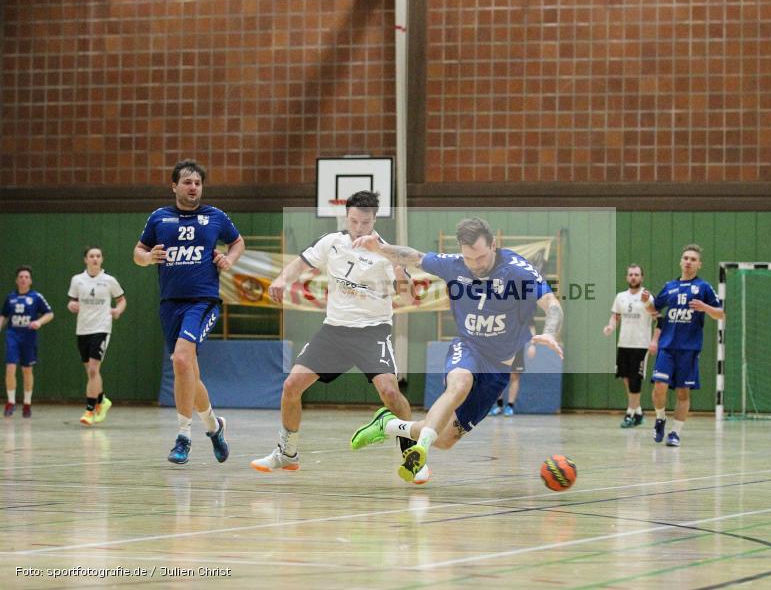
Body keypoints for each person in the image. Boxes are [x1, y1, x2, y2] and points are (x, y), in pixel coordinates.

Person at [349, 217, 564, 483]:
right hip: (469, 347)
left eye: (481, 257)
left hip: (498, 368)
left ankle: (389, 425)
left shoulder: (517, 270)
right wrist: (380, 248)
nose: (476, 265)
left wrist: (550, 332)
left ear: (493, 246)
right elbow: (413, 256)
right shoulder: (455, 265)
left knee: (446, 439)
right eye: (469, 258)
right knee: (459, 384)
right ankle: (420, 450)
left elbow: (552, 304)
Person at [249, 191, 421, 478]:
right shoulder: (331, 242)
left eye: (365, 223)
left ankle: (412, 455)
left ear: (375, 220)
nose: (359, 228)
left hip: (371, 332)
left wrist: (398, 269)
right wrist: (281, 279)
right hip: (335, 332)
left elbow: (409, 296)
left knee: (391, 393)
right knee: (291, 385)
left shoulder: (387, 253)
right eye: (353, 221)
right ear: (346, 217)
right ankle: (287, 453)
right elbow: (301, 263)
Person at [134, 159, 245, 464]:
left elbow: (237, 242)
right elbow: (138, 252)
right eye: (187, 182)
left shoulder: (215, 216)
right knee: (188, 373)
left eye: (197, 183)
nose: (193, 187)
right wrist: (147, 258)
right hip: (170, 304)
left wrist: (229, 259)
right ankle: (214, 427)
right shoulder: (159, 218)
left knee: (181, 360)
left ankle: (183, 437)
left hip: (203, 301)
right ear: (174, 186)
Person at [642, 244, 723, 447]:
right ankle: (660, 418)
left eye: (693, 259)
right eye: (686, 258)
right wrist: (646, 302)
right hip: (667, 346)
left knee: (682, 392)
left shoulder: (703, 288)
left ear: (699, 264)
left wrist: (705, 307)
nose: (688, 262)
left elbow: (721, 313)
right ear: (680, 261)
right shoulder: (670, 286)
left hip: (689, 349)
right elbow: (654, 309)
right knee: (659, 386)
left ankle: (675, 433)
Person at [67, 246, 127, 426]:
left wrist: (118, 310)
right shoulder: (77, 280)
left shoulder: (109, 280)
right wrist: (71, 306)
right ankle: (102, 400)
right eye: (91, 256)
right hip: (83, 329)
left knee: (93, 369)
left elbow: (121, 300)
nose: (95, 259)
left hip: (101, 328)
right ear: (85, 259)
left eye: (98, 256)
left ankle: (90, 409)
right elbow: (72, 301)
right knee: (91, 372)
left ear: (102, 259)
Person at [603, 264, 656, 428]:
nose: (633, 277)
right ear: (627, 277)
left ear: (642, 277)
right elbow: (616, 316)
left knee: (635, 379)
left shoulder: (647, 296)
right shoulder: (620, 297)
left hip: (640, 344)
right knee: (625, 377)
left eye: (637, 275)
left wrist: (654, 340)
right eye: (631, 274)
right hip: (624, 342)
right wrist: (611, 326)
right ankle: (638, 412)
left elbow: (656, 316)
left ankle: (630, 413)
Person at [1, 267, 54, 418]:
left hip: (29, 337)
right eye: (21, 277)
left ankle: (27, 403)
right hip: (13, 336)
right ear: (16, 280)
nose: (23, 279)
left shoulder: (36, 297)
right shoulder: (10, 297)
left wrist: (39, 322)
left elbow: (50, 314)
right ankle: (11, 402)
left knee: (27, 370)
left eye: (26, 277)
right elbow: (4, 315)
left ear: (30, 280)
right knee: (10, 368)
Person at [489, 341, 536, 417]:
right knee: (498, 376)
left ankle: (510, 406)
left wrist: (532, 344)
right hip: (500, 346)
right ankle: (499, 405)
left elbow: (532, 332)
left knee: (515, 376)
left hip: (516, 346)